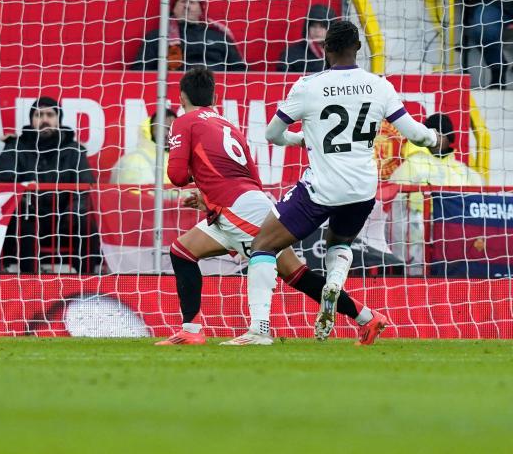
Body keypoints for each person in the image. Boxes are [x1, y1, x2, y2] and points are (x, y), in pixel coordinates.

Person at [157, 67, 383, 347]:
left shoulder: (185, 121)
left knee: (295, 274)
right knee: (182, 251)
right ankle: (191, 330)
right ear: (215, 96)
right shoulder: (226, 125)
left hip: (235, 207)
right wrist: (207, 196)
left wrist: (202, 183)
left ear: (180, 97)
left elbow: (177, 176)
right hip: (244, 201)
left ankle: (359, 317)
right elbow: (247, 175)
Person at [256, 20, 445, 341]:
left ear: (326, 49)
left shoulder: (307, 86)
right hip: (362, 188)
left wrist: (297, 140)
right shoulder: (379, 85)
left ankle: (258, 329)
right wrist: (434, 137)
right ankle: (334, 283)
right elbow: (413, 133)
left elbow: (271, 133)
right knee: (339, 243)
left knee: (262, 245)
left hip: (321, 187)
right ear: (358, 48)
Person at [0, 97, 100, 273]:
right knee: (26, 218)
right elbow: (4, 181)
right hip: (27, 215)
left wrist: (74, 210)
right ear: (31, 120)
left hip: (64, 217)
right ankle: (30, 282)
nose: (44, 120)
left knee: (86, 219)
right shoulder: (15, 147)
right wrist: (25, 196)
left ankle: (86, 280)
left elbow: (85, 184)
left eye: (50, 114)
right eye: (38, 115)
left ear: (58, 119)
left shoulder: (74, 149)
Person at [389, 113, 483, 273]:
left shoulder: (464, 172)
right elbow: (393, 209)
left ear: (449, 137)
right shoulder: (412, 163)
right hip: (418, 240)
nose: (437, 138)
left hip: (455, 239)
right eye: (432, 133)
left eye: (441, 133)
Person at [132, 0, 246, 72]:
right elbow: (139, 71)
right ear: (173, 8)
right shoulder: (157, 37)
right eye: (182, 1)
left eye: (192, 2)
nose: (187, 6)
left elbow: (240, 70)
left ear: (201, 9)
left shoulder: (220, 37)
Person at [110, 108, 176, 185]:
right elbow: (140, 195)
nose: (172, 133)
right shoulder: (135, 161)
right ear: (152, 130)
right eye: (168, 128)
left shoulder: (180, 160)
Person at [277, 4, 336, 74]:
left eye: (323, 26)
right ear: (307, 27)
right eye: (314, 26)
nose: (317, 30)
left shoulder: (340, 53)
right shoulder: (291, 54)